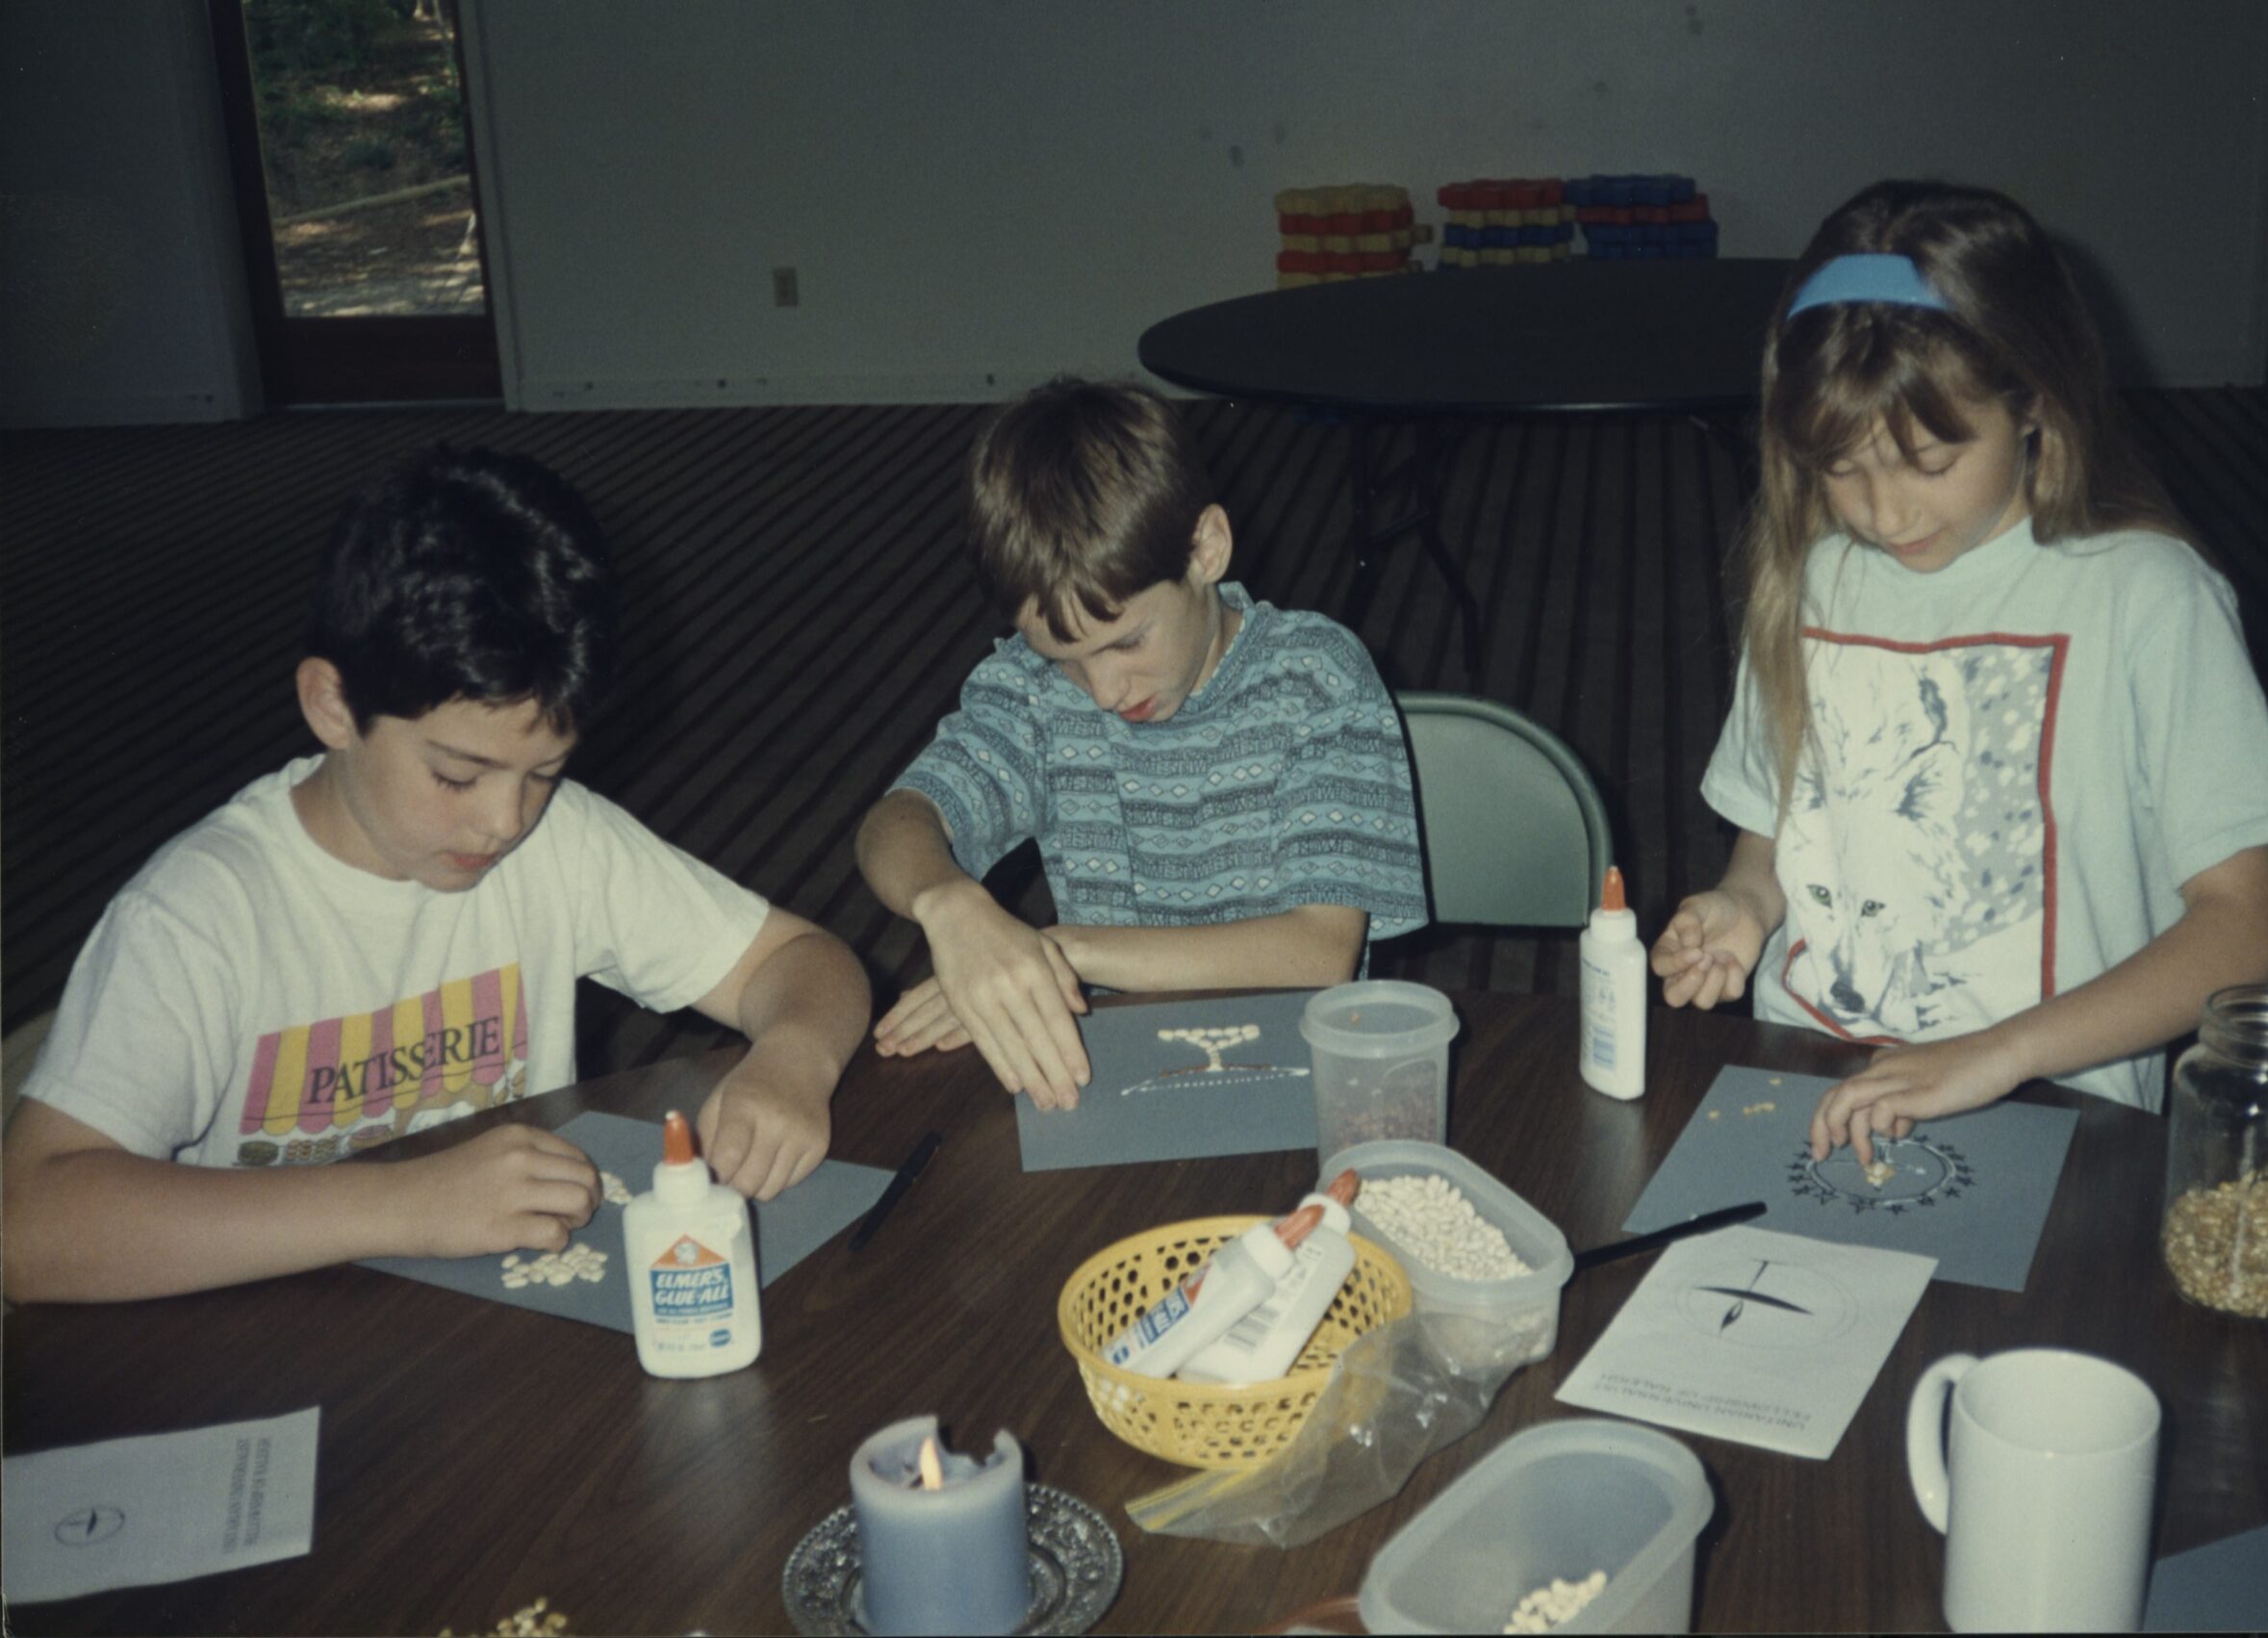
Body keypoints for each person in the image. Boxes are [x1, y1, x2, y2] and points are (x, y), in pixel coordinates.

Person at [2, 448, 873, 1303]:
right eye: (457, 776)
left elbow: (801, 962)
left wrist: (793, 1056)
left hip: (493, 1326)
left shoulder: (562, 845)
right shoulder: (200, 914)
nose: (505, 821)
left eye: (544, 773)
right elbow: (29, 1226)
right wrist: (402, 1203)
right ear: (333, 707)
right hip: (267, 1341)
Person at [1649, 181, 2268, 1166]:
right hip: (1808, 1074)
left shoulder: (2148, 598)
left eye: (1926, 461)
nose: (1882, 512)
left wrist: (1992, 1054)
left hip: (2055, 1100)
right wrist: (1745, 903)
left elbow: (2246, 928)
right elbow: (1775, 834)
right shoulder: (1814, 578)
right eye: (1840, 467)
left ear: (2033, 405)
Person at [857, 378, 1427, 1110]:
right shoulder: (1035, 688)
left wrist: (1052, 952)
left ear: (1206, 549)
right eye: (1068, 655)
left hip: (1298, 1064)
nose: (1102, 690)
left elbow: (1319, 952)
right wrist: (950, 907)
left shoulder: (1315, 678)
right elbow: (897, 821)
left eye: (1128, 640)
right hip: (1113, 1068)